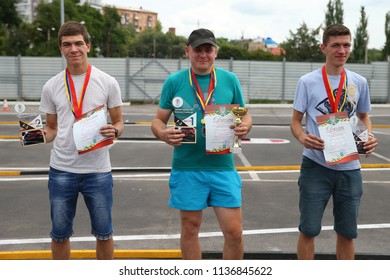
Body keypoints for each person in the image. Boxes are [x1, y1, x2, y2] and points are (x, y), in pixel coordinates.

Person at [151, 28, 252, 260]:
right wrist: (164, 133)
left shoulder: (229, 80)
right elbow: (158, 120)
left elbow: (245, 115)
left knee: (234, 232)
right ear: (188, 51)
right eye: (198, 49)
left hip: (222, 167)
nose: (203, 54)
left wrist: (245, 126)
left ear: (215, 52)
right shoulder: (174, 82)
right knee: (190, 229)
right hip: (188, 168)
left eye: (209, 49)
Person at [290, 24, 378, 260]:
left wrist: (368, 136)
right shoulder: (307, 82)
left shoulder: (359, 82)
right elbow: (296, 122)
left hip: (349, 167)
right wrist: (302, 137)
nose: (342, 50)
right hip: (316, 166)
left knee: (347, 233)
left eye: (346, 44)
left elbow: (363, 118)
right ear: (323, 48)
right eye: (336, 45)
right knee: (308, 230)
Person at [39, 21, 123, 259]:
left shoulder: (107, 82)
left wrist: (114, 131)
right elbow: (52, 128)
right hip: (61, 170)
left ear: (87, 45)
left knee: (105, 233)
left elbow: (119, 123)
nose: (73, 49)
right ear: (61, 49)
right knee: (59, 234)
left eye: (78, 43)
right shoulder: (51, 86)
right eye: (67, 44)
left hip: (98, 171)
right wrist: (35, 135)